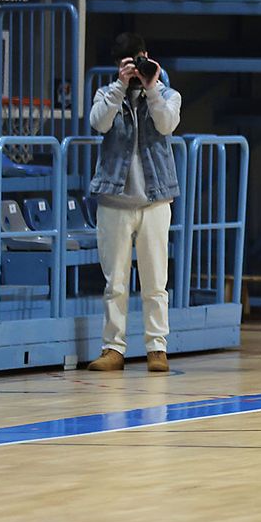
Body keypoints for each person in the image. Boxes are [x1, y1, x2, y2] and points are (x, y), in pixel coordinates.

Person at [87, 33, 183, 373]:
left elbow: (166, 124)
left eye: (138, 59)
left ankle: (157, 348)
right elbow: (99, 123)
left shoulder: (168, 94)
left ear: (147, 57)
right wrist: (118, 87)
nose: (134, 67)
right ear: (119, 65)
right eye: (127, 63)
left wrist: (152, 87)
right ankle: (113, 348)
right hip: (114, 199)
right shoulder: (106, 94)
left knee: (156, 280)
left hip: (155, 200)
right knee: (115, 281)